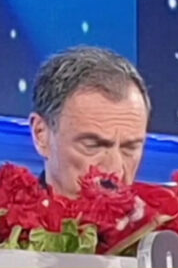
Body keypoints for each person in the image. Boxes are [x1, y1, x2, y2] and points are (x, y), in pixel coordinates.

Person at [29, 46, 150, 197]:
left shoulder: (162, 210)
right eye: (92, 146)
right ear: (40, 135)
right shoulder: (3, 211)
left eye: (130, 148)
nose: (114, 170)